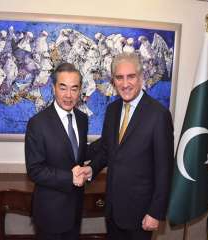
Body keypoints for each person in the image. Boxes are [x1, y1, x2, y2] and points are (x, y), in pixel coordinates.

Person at [79, 52, 174, 240]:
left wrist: (155, 212)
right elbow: (108, 149)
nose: (125, 83)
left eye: (131, 77)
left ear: (141, 78)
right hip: (113, 209)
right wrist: (92, 169)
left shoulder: (159, 115)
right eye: (119, 78)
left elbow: (165, 169)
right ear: (113, 81)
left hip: (141, 213)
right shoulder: (112, 110)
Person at [25, 62, 88, 240]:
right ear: (53, 88)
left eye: (74, 89)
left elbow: (77, 153)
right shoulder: (37, 123)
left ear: (80, 90)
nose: (69, 95)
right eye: (63, 88)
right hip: (49, 215)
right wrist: (70, 177)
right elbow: (34, 170)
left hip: (75, 211)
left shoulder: (83, 119)